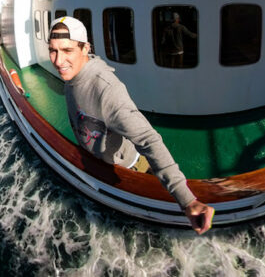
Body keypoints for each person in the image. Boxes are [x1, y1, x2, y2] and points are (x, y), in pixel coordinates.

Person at [47, 17, 215, 233]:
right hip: (97, 163)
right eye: (53, 50)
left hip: (126, 169)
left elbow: (148, 139)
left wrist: (187, 200)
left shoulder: (107, 89)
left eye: (67, 50)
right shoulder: (73, 75)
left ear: (85, 48)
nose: (58, 61)